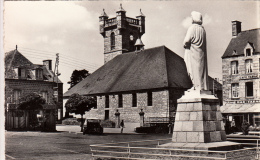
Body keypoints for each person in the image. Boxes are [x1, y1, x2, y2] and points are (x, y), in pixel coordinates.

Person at [183, 11, 209, 91]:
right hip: (201, 54)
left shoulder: (192, 28)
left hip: (193, 54)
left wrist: (185, 45)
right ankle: (201, 86)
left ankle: (196, 86)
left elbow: (186, 41)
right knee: (201, 71)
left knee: (193, 70)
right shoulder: (203, 30)